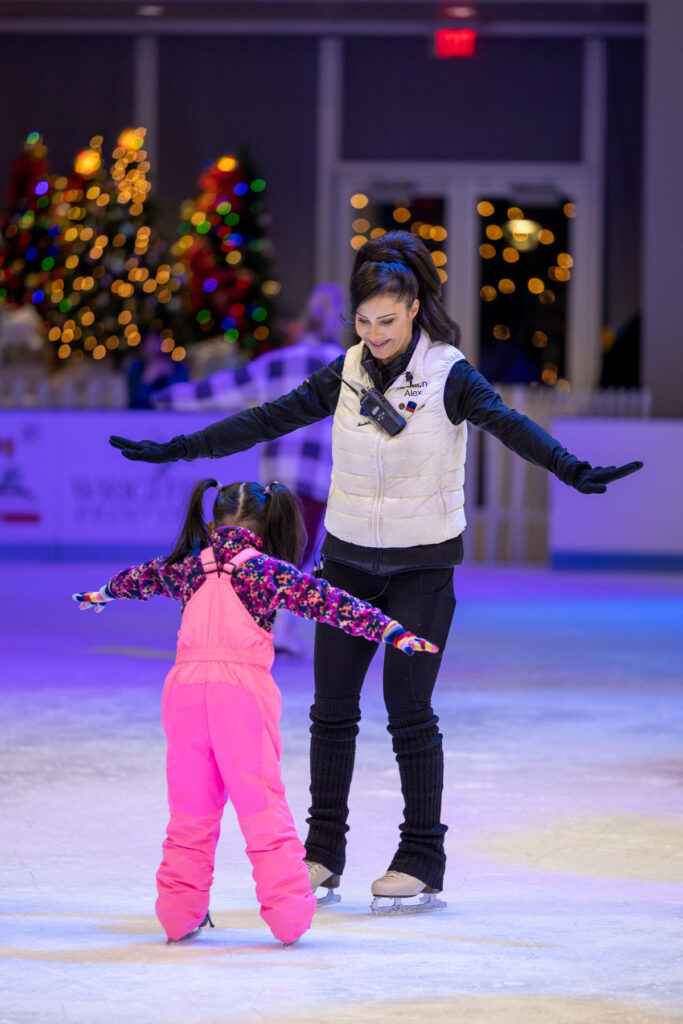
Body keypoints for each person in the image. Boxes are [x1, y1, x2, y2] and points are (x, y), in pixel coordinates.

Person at [109, 230, 643, 915]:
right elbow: (264, 420)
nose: (374, 334)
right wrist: (178, 450)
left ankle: (421, 855)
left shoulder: (451, 373)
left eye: (385, 321)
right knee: (330, 712)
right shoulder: (346, 371)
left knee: (408, 710)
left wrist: (571, 469)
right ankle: (322, 853)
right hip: (347, 562)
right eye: (362, 323)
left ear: (414, 308)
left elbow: (509, 427)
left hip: (422, 571)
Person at [73, 477, 438, 943]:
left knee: (190, 809)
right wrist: (390, 630)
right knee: (261, 805)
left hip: (184, 693)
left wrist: (100, 594)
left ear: (212, 523)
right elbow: (329, 602)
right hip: (240, 695)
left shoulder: (189, 566)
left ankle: (178, 912)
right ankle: (288, 916)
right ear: (265, 529)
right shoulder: (264, 571)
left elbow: (139, 578)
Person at [151, 283, 347, 653]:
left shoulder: (276, 363)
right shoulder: (346, 366)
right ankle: (276, 629)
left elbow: (219, 389)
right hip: (319, 476)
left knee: (271, 551)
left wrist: (165, 397)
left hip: (277, 475)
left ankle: (257, 625)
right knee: (298, 556)